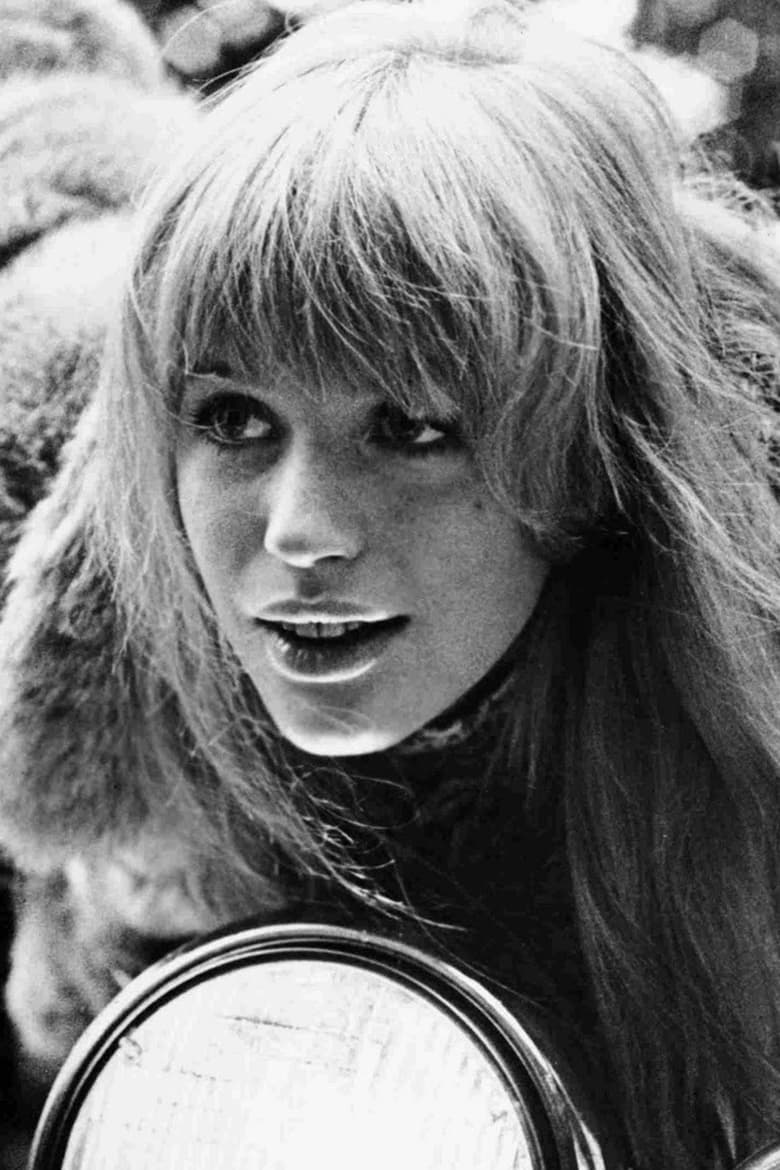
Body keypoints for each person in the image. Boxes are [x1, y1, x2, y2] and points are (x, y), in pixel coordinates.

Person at [0, 2, 779, 1167]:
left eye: (410, 426)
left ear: (592, 452)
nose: (300, 532)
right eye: (234, 418)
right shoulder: (67, 558)